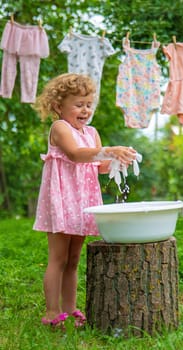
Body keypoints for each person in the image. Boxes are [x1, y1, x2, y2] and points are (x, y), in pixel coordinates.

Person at [33, 73, 137, 328]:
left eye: (89, 104)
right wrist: (108, 151)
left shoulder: (92, 133)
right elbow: (76, 154)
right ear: (59, 106)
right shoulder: (60, 128)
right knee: (58, 258)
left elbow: (98, 165)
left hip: (83, 202)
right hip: (61, 200)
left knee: (73, 260)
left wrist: (116, 159)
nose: (85, 110)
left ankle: (69, 308)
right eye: (78, 104)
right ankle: (51, 311)